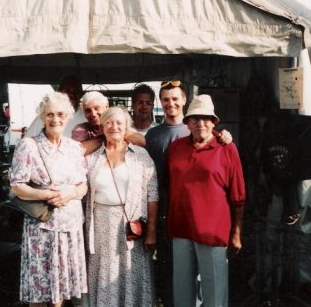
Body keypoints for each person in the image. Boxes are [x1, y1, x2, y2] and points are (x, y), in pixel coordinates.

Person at [145, 80, 232, 307]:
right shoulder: (154, 135)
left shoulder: (211, 134)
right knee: (180, 281)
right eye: (165, 99)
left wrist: (224, 136)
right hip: (174, 217)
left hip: (208, 223)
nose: (170, 103)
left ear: (184, 100)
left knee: (209, 283)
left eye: (175, 98)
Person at [10, 92, 88, 307]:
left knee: (61, 292)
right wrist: (47, 194)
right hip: (42, 229)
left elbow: (83, 185)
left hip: (70, 228)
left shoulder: (74, 148)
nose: (55, 119)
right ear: (42, 117)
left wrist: (70, 193)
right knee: (40, 291)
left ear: (69, 116)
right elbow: (17, 187)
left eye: (61, 114)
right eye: (50, 114)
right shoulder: (28, 145)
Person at [167, 94, 246, 307]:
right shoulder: (176, 147)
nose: (200, 123)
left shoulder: (226, 148)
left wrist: (236, 233)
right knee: (183, 295)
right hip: (181, 228)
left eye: (206, 118)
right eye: (195, 118)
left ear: (213, 122)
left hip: (213, 231)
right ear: (187, 122)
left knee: (214, 296)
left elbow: (238, 196)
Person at [85, 107, 158, 307]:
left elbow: (153, 193)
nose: (114, 126)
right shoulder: (92, 158)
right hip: (100, 225)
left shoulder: (140, 155)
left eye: (119, 122)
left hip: (130, 226)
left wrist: (151, 231)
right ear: (102, 127)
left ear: (126, 127)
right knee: (104, 274)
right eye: (109, 122)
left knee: (130, 272)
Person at [72, 91, 146, 147]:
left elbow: (141, 141)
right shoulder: (80, 129)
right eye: (88, 110)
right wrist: (107, 135)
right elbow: (78, 150)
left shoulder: (118, 123)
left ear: (106, 106)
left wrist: (112, 131)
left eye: (96, 108)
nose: (93, 114)